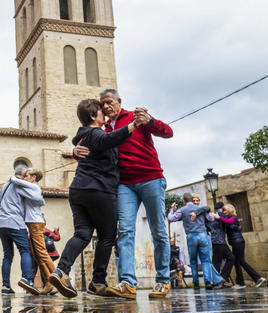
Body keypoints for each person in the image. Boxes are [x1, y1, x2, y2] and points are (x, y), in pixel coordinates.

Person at [75, 89, 174, 299]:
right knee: (125, 232)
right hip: (125, 185)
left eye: (109, 102)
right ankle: (128, 283)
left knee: (158, 231)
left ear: (119, 101)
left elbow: (168, 132)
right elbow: (91, 151)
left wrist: (151, 121)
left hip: (151, 179)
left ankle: (163, 281)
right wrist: (76, 152)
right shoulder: (104, 129)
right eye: (103, 105)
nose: (106, 107)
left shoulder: (136, 118)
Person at [49, 98, 144, 298]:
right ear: (93, 116)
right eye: (101, 111)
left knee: (82, 234)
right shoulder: (95, 133)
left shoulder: (83, 136)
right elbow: (108, 139)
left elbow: (99, 142)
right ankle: (97, 282)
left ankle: (60, 271)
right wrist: (134, 125)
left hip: (78, 191)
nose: (104, 114)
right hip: (98, 190)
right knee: (107, 236)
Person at [0, 166, 40, 296]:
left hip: (1, 225)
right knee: (25, 250)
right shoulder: (21, 186)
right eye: (26, 175)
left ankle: (5, 286)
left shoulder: (5, 185)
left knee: (7, 255)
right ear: (21, 176)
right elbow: (37, 198)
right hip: (15, 224)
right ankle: (27, 279)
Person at [11, 168, 56, 294]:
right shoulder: (32, 188)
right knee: (37, 255)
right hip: (32, 223)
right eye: (24, 176)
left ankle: (60, 278)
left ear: (34, 177)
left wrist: (15, 179)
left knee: (41, 253)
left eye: (27, 175)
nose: (24, 177)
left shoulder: (34, 187)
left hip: (36, 223)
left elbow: (14, 180)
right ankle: (48, 282)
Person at [168, 193, 225, 290]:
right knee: (206, 260)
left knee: (193, 261)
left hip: (191, 236)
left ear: (183, 201)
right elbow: (211, 218)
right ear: (192, 199)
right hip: (203, 235)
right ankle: (208, 281)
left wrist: (172, 210)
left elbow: (171, 218)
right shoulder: (201, 209)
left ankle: (196, 284)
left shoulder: (182, 210)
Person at [214, 204, 265, 289]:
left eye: (225, 210)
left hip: (238, 242)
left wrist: (219, 218)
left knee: (241, 261)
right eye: (223, 210)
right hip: (235, 242)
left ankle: (257, 278)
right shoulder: (228, 218)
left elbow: (229, 222)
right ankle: (240, 283)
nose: (224, 212)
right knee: (236, 262)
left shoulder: (233, 218)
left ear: (230, 210)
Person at [207, 202, 234, 283]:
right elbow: (229, 221)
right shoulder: (220, 214)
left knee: (230, 258)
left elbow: (208, 227)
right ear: (222, 208)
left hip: (217, 241)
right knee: (217, 262)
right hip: (219, 242)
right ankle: (216, 281)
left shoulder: (211, 215)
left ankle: (223, 278)